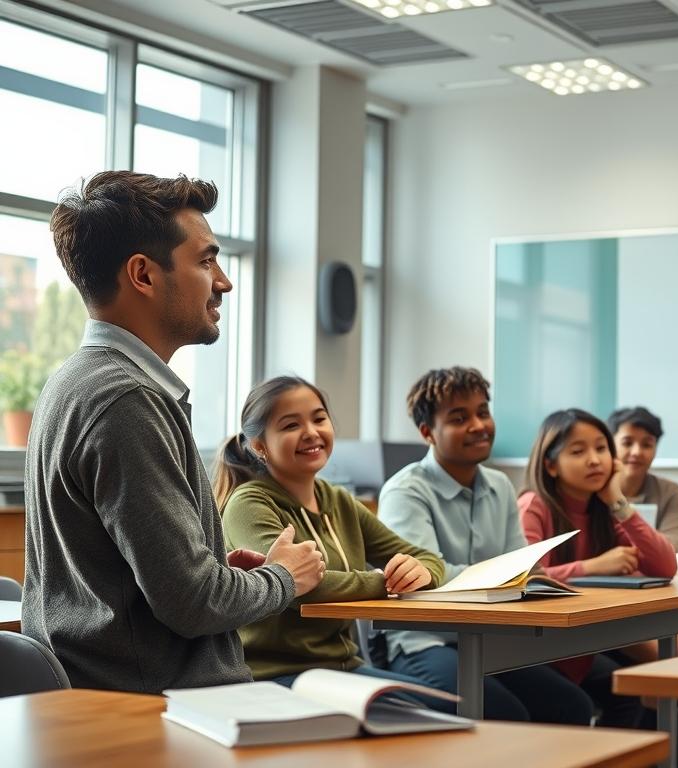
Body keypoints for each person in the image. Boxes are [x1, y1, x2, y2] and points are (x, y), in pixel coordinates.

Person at [22, 171, 322, 693]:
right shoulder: (126, 400)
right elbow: (193, 603)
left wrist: (216, 568)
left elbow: (133, 579)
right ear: (143, 274)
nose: (223, 281)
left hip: (124, 695)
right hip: (166, 709)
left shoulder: (74, 381)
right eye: (206, 261)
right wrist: (282, 579)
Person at [217, 377, 455, 705]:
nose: (312, 433)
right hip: (274, 675)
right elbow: (299, 586)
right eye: (290, 425)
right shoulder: (249, 504)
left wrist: (422, 572)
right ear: (259, 445)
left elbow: (426, 557)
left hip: (342, 668)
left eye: (319, 418)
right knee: (427, 714)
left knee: (452, 706)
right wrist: (383, 583)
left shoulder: (339, 501)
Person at [378, 368, 594, 724]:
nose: (479, 425)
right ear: (427, 432)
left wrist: (531, 579)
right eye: (460, 418)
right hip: (427, 641)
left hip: (491, 638)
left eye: (483, 412)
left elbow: (522, 567)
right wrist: (509, 575)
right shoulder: (406, 492)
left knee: (572, 707)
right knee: (506, 715)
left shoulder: (500, 486)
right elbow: (428, 577)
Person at [518, 408, 678, 727]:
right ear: (550, 464)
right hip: (532, 649)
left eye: (601, 448)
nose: (594, 460)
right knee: (574, 705)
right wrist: (593, 567)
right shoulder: (534, 505)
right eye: (578, 451)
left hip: (579, 645)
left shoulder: (602, 508)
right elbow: (527, 579)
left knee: (631, 690)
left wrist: (616, 498)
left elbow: (665, 565)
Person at [607, 406, 678, 551]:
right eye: (627, 443)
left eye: (647, 444)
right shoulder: (593, 489)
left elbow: (677, 543)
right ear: (610, 445)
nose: (637, 452)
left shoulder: (669, 491)